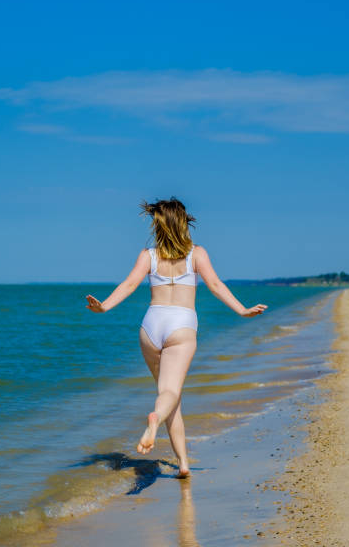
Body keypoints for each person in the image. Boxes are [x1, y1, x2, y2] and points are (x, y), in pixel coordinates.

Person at [86, 198, 267, 478]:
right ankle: (154, 421)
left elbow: (130, 284)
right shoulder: (197, 254)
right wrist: (242, 310)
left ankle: (182, 463)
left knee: (170, 396)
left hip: (150, 326)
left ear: (158, 225)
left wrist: (105, 306)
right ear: (184, 224)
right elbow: (216, 286)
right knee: (169, 395)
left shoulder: (149, 255)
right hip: (181, 325)